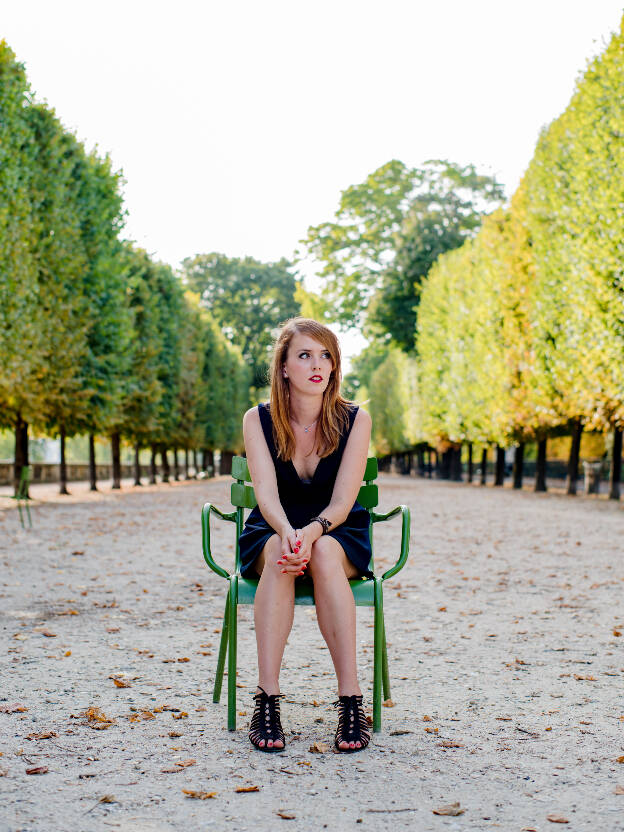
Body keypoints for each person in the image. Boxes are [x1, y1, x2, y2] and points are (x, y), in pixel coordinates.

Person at [239, 317, 373, 753]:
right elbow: (265, 494)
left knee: (323, 554)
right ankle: (267, 699)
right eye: (304, 355)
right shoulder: (257, 420)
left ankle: (351, 700)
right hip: (273, 526)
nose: (318, 365)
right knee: (283, 550)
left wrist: (311, 532)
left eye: (326, 355)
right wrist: (287, 532)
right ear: (283, 367)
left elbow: (342, 502)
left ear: (334, 366)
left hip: (337, 530)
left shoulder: (356, 420)